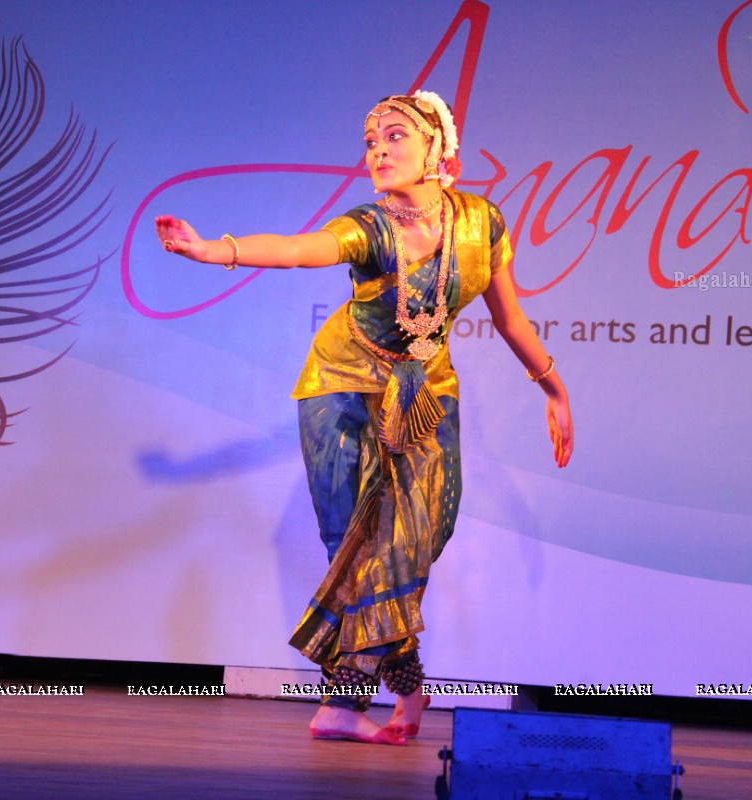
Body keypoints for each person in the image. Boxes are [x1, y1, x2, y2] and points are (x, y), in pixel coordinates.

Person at [156, 91, 573, 745]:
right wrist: (215, 250)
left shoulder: (481, 223)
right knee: (353, 543)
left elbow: (509, 317)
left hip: (423, 389)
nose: (378, 150)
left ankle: (377, 692)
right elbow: (300, 249)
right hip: (343, 384)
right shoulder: (369, 227)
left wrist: (553, 389)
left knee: (419, 538)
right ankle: (351, 701)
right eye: (371, 140)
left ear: (441, 151)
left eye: (396, 136)